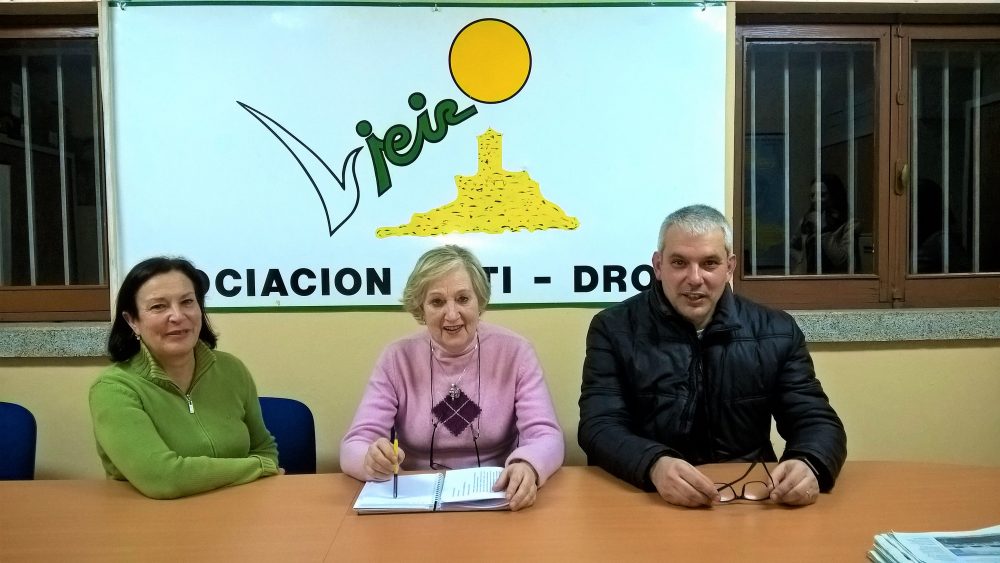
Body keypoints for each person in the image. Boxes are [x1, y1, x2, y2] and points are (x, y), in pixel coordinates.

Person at [578, 204, 846, 508]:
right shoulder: (613, 328)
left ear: (729, 267)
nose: (694, 278)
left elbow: (816, 421)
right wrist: (653, 464)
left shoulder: (777, 330)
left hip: (749, 499)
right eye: (679, 263)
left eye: (709, 263)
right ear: (658, 265)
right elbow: (599, 426)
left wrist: (809, 462)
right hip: (649, 497)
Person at [340, 245, 564, 511]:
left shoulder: (516, 353)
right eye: (437, 302)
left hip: (495, 498)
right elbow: (354, 445)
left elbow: (546, 436)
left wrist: (528, 464)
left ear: (479, 301)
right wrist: (370, 460)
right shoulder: (397, 358)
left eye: (463, 299)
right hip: (417, 503)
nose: (452, 314)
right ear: (421, 308)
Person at [89, 256, 279, 499]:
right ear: (132, 321)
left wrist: (261, 465)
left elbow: (264, 448)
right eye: (158, 306)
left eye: (187, 302)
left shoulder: (232, 369)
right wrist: (258, 467)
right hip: (152, 517)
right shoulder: (114, 389)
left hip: (239, 511)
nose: (177, 316)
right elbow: (162, 478)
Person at [790, 173, 857, 274]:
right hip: (805, 278)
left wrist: (823, 229)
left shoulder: (850, 225)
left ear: (834, 196)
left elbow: (845, 262)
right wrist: (801, 259)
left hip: (833, 280)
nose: (815, 200)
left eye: (822, 195)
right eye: (812, 195)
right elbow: (791, 246)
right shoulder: (807, 221)